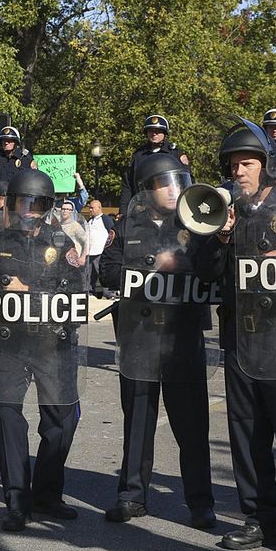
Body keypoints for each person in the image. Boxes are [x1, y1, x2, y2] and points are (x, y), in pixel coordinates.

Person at [193, 118, 276, 551]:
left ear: (268, 164)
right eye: (233, 164)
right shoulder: (226, 214)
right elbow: (205, 273)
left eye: (247, 163)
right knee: (246, 434)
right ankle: (260, 521)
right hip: (240, 340)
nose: (238, 171)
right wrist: (219, 237)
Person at [99, 153, 216, 528]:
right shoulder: (129, 225)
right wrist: (153, 264)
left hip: (182, 338)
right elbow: (108, 270)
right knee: (138, 421)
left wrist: (195, 258)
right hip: (140, 338)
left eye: (176, 181)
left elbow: (215, 271)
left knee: (192, 425)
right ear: (148, 190)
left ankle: (200, 503)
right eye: (164, 183)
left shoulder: (197, 225)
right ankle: (132, 496)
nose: (172, 189)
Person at [0, 169, 84, 531]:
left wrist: (32, 294)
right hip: (11, 343)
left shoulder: (63, 244)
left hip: (53, 344)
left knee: (61, 419)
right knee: (8, 417)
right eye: (23, 202)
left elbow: (75, 298)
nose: (30, 211)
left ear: (48, 207)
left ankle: (47, 495)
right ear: (11, 205)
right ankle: (17, 499)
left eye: (37, 204)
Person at [118, 115, 189, 215]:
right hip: (145, 209)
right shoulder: (138, 155)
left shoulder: (174, 153)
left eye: (158, 131)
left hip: (172, 208)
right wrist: (123, 212)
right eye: (151, 131)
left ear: (165, 133)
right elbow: (128, 184)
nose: (154, 134)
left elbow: (185, 181)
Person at [0, 126, 36, 195]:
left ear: (16, 142)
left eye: (9, 140)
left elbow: (33, 180)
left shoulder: (25, 158)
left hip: (19, 198)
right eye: (4, 140)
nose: (6, 143)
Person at [85, 200, 115, 299]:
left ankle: (108, 293)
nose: (90, 210)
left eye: (92, 208)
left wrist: (108, 249)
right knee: (90, 274)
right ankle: (90, 291)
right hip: (90, 252)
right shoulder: (90, 221)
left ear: (99, 207)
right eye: (89, 208)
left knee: (102, 272)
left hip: (101, 251)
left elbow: (112, 234)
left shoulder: (105, 219)